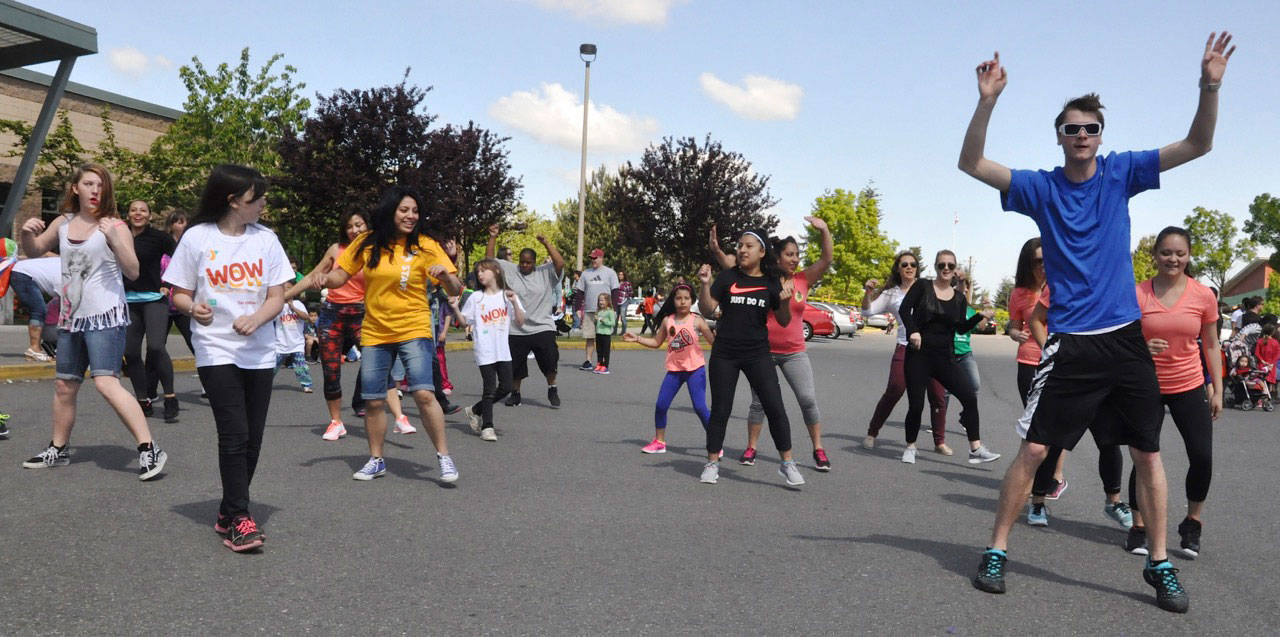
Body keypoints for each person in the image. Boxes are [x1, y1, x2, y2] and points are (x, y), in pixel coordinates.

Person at [961, 33, 1236, 612]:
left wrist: (1210, 85)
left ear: (1100, 137)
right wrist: (986, 101)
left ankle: (1158, 564)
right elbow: (972, 163)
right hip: (1071, 346)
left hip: (1125, 342)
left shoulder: (1121, 173)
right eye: (1071, 129)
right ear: (1059, 136)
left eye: (1090, 128)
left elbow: (1198, 143)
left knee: (1149, 456)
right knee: (1034, 452)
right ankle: (997, 550)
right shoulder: (1041, 186)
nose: (1082, 136)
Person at [164, 164, 293, 551]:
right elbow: (179, 292)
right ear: (233, 200)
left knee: (252, 438)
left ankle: (228, 510)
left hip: (259, 348)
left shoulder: (266, 240)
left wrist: (257, 318)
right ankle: (240, 517)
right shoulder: (196, 238)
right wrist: (191, 308)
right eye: (257, 199)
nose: (263, 205)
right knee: (234, 433)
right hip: (215, 346)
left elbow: (277, 295)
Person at [18, 163, 168, 481]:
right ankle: (57, 449)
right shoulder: (63, 222)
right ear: (76, 188)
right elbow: (33, 252)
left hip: (105, 316)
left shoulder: (115, 225)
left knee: (106, 382)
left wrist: (114, 239)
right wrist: (26, 234)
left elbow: (133, 271)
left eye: (100, 185)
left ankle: (149, 448)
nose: (95, 191)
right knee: (65, 385)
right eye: (88, 184)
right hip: (71, 318)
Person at [312, 186, 463, 483]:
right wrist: (322, 278)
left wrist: (445, 276)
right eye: (404, 210)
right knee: (373, 400)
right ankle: (376, 459)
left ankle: (444, 457)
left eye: (415, 211)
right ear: (391, 211)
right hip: (376, 331)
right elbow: (340, 276)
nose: (411, 216)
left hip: (414, 327)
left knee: (422, 392)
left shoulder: (426, 244)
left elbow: (456, 288)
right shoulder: (368, 243)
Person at [1122, 226, 1223, 559]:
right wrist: (1142, 346)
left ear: (1189, 256)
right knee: (1145, 459)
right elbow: (1120, 339)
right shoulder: (1137, 293)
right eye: (1166, 252)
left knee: (1202, 456)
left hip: (1189, 383)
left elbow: (1210, 343)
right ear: (1155, 255)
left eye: (1180, 253)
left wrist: (1217, 389)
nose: (1173, 259)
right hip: (1145, 385)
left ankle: (1192, 523)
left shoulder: (1203, 295)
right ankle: (1138, 526)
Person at [709, 217, 835, 471]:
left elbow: (826, 260)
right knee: (759, 404)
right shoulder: (766, 278)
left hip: (794, 352)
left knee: (807, 399)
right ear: (777, 257)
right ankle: (751, 447)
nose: (795, 259)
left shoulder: (802, 279)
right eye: (789, 254)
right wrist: (718, 251)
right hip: (763, 351)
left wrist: (824, 230)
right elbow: (732, 267)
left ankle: (818, 449)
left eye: (797, 254)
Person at [696, 229, 804, 487]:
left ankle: (787, 463)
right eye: (739, 246)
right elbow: (708, 309)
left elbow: (783, 320)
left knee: (775, 406)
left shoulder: (771, 281)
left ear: (762, 252)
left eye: (749, 246)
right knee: (721, 408)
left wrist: (786, 301)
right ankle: (712, 463)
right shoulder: (728, 277)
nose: (742, 250)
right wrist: (704, 285)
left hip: (758, 353)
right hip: (725, 353)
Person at [286, 211, 403, 440]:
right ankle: (336, 422)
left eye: (359, 224)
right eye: (349, 226)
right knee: (331, 371)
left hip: (363, 314)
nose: (354, 230)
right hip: (333, 315)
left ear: (368, 225)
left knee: (378, 362)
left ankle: (399, 417)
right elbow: (313, 275)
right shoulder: (336, 250)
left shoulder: (378, 250)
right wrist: (283, 297)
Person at [899, 250, 997, 465]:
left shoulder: (959, 298)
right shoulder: (922, 286)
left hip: (944, 356)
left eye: (950, 266)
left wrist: (979, 316)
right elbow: (905, 310)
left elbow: (961, 328)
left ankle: (975, 448)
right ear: (936, 266)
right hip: (919, 354)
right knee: (916, 404)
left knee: (969, 396)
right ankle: (910, 446)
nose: (946, 269)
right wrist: (913, 331)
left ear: (954, 270)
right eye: (942, 265)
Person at [861, 251, 950, 453]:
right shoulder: (891, 294)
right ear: (898, 269)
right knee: (895, 388)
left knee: (937, 395)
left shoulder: (929, 287)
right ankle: (872, 433)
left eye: (913, 264)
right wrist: (867, 293)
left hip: (932, 349)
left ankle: (940, 442)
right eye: (904, 265)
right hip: (905, 346)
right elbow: (867, 312)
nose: (909, 267)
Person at [624, 283, 714, 453]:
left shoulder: (697, 321)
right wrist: (637, 338)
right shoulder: (668, 320)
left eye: (686, 298)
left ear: (692, 300)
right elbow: (656, 342)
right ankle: (659, 442)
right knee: (661, 405)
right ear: (673, 300)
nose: (682, 302)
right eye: (679, 298)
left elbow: (714, 343)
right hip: (674, 371)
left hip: (695, 371)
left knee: (700, 408)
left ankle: (715, 442)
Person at [484, 225, 565, 409]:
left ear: (534, 262)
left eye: (528, 263)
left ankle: (552, 387)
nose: (524, 265)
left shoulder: (546, 273)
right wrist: (493, 237)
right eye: (522, 262)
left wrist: (546, 243)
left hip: (542, 326)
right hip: (516, 328)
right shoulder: (511, 270)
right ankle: (516, 393)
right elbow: (489, 261)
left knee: (550, 360)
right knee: (515, 366)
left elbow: (560, 263)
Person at [452, 259, 525, 442]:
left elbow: (521, 321)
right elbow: (463, 323)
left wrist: (515, 302)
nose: (480, 274)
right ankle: (487, 426)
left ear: (497, 272)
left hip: (503, 350)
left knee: (507, 387)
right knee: (490, 389)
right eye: (478, 272)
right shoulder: (476, 297)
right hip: (484, 350)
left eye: (484, 270)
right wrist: (455, 308)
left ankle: (475, 410)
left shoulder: (506, 296)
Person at [121, 200, 179, 422]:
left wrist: (169, 283)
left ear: (149, 216)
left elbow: (181, 259)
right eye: (133, 209)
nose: (138, 213)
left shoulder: (158, 237)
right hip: (127, 300)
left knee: (156, 346)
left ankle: (170, 397)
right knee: (131, 352)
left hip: (154, 298)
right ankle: (143, 399)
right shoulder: (119, 236)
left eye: (142, 210)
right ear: (128, 214)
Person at [574, 249, 619, 370]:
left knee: (603, 338)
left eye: (595, 258)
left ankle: (603, 362)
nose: (593, 260)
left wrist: (614, 309)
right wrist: (578, 308)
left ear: (601, 258)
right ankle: (588, 361)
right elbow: (580, 292)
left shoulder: (610, 273)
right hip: (589, 310)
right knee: (589, 336)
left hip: (605, 311)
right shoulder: (585, 273)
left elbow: (615, 292)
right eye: (591, 258)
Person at [10, 255, 60, 361]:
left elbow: (46, 254)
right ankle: (34, 349)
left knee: (40, 310)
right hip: (23, 274)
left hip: (21, 271)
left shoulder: (67, 262)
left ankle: (41, 347)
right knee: (38, 310)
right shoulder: (65, 276)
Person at [274, 298, 314, 393]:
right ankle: (263, 383)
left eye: (289, 288)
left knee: (300, 366)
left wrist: (293, 308)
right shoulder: (277, 304)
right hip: (281, 343)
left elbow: (305, 317)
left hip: (297, 343)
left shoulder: (298, 303)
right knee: (273, 366)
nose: (287, 291)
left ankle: (306, 385)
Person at [593, 292, 616, 374]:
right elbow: (596, 323)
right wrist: (595, 320)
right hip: (598, 333)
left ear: (607, 301)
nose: (600, 302)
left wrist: (604, 321)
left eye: (602, 300)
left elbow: (612, 323)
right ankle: (599, 364)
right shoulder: (599, 311)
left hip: (606, 334)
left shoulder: (610, 311)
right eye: (599, 300)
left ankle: (605, 366)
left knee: (605, 351)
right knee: (599, 350)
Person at [613, 271, 633, 335]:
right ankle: (614, 332)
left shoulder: (627, 283)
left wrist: (628, 300)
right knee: (615, 317)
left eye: (622, 274)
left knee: (623, 316)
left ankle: (623, 332)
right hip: (616, 302)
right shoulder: (616, 283)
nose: (620, 276)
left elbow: (630, 292)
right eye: (619, 274)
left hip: (624, 301)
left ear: (624, 276)